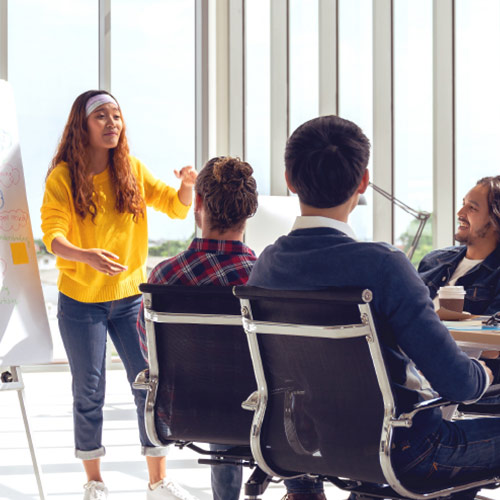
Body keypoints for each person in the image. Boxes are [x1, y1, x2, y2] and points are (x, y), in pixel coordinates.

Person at [246, 114, 500, 497]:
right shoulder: (383, 266)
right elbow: (459, 384)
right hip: (404, 450)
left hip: (307, 445)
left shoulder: (266, 265)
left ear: (288, 178)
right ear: (363, 181)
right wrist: (483, 374)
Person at [137, 155, 325, 500]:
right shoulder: (266, 279)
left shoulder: (163, 277)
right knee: (252, 390)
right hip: (256, 412)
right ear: (250, 211)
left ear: (196, 202)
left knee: (216, 387)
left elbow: (149, 350)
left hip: (186, 411)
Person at [40, 90, 197, 500]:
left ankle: (158, 480)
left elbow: (176, 208)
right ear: (82, 126)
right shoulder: (62, 177)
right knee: (89, 388)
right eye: (102, 117)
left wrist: (187, 186)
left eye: (117, 116)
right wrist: (85, 256)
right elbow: (52, 236)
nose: (112, 124)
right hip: (79, 302)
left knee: (149, 383)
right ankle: (94, 479)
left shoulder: (131, 169)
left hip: (129, 300)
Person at [418, 176, 500, 316]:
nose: (460, 213)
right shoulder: (433, 260)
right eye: (463, 204)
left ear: (495, 220)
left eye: (472, 208)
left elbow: (490, 334)